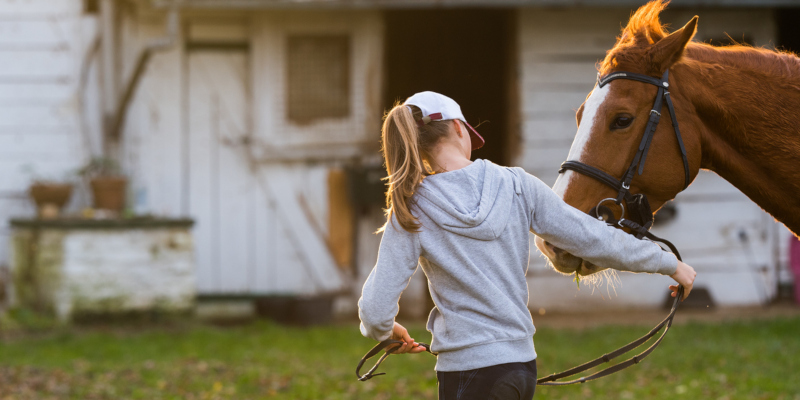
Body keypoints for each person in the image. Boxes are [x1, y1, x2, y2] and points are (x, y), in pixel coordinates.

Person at [358, 91, 697, 400]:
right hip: (520, 368)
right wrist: (669, 264)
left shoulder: (411, 208)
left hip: (467, 372)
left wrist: (385, 331)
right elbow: (595, 238)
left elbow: (375, 309)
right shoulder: (517, 184)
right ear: (459, 129)